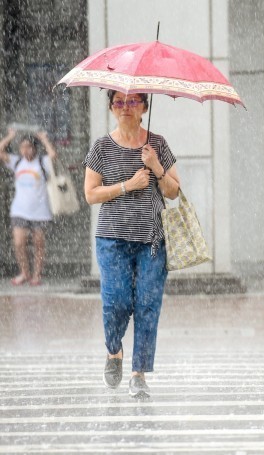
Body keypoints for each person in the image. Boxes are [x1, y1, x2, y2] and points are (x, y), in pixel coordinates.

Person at [83, 90, 180, 398]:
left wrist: (155, 166)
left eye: (134, 101)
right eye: (119, 102)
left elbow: (175, 191)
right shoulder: (101, 146)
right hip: (112, 240)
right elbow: (90, 194)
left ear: (144, 108)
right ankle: (114, 352)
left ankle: (139, 373)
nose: (126, 107)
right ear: (111, 108)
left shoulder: (158, 145)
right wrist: (128, 185)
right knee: (116, 302)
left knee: (147, 306)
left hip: (151, 240)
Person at [0, 127, 57, 286]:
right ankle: (24, 272)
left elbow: (53, 155)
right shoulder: (16, 161)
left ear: (35, 148)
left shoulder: (41, 162)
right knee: (19, 243)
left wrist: (44, 139)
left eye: (29, 147)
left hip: (40, 211)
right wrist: (10, 136)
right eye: (23, 147)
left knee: (39, 244)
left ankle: (36, 274)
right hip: (19, 210)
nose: (26, 150)